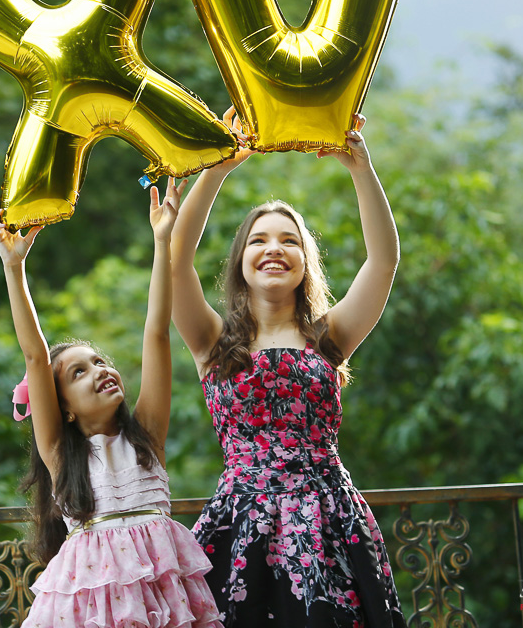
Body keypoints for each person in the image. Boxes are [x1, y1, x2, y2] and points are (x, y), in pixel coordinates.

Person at [169, 110, 405, 627]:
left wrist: (360, 167)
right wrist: (218, 168)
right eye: (258, 239)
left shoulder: (331, 337)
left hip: (330, 523)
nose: (274, 247)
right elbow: (175, 262)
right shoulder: (211, 342)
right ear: (240, 262)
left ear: (305, 262)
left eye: (289, 239)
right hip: (241, 527)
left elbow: (383, 261)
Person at [0, 179, 224, 628]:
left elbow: (157, 330)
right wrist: (14, 268)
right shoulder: (61, 455)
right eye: (79, 372)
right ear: (65, 410)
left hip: (163, 603)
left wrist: (162, 241)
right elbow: (36, 356)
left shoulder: (147, 435)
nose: (100, 370)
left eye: (99, 361)